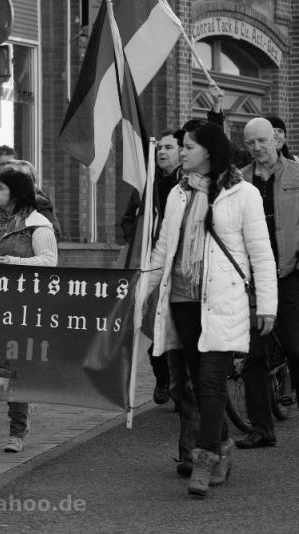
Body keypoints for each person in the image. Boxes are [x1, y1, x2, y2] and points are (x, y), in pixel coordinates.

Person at [146, 120, 277, 498]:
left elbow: (261, 254)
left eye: (188, 146)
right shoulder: (177, 194)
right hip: (183, 302)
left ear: (208, 150)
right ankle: (222, 448)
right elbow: (162, 252)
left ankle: (203, 462)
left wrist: (266, 304)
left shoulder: (243, 194)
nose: (182, 152)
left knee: (210, 382)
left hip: (223, 301)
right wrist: (139, 294)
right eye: (182, 147)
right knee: (194, 382)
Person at [0, 169, 58, 452]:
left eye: (0, 187)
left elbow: (49, 263)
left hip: (25, 309)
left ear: (16, 192)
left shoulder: (39, 225)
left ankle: (17, 428)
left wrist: (15, 262)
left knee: (16, 365)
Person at [235, 117, 299, 449]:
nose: (258, 148)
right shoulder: (240, 180)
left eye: (262, 141)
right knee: (253, 355)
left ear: (275, 140)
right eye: (250, 143)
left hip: (289, 275)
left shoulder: (296, 175)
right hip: (253, 280)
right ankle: (262, 427)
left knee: (294, 346)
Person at [121, 131, 182, 406]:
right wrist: (137, 240)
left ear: (182, 151)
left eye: (169, 147)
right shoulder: (146, 185)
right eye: (159, 148)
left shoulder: (186, 184)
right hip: (151, 263)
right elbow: (127, 221)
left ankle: (183, 388)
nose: (162, 152)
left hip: (180, 264)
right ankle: (162, 377)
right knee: (150, 322)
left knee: (179, 326)